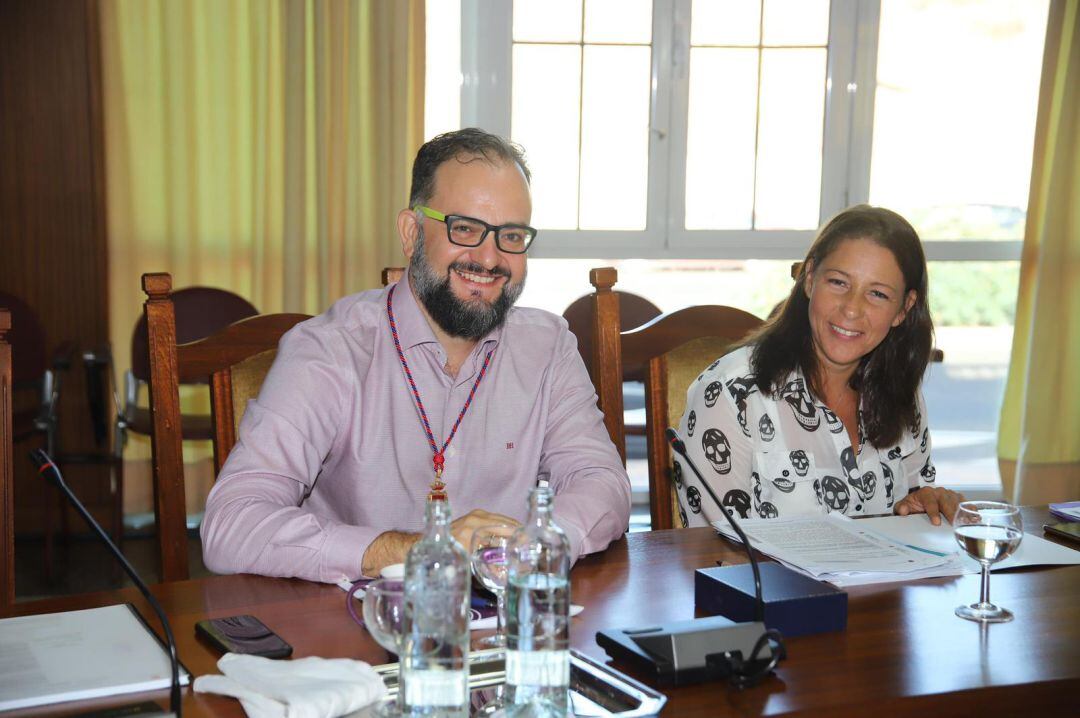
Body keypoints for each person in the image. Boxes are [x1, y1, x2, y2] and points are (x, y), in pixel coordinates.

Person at [201, 128, 631, 583]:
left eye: (511, 235)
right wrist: (418, 551)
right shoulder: (330, 349)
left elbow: (602, 483)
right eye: (465, 228)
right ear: (411, 233)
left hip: (504, 626)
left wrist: (537, 546)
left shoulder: (548, 348)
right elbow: (232, 526)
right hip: (356, 627)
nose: (489, 258)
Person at [676, 205, 962, 529]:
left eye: (878, 294)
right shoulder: (731, 394)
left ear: (903, 310)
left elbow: (911, 511)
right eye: (839, 283)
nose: (852, 309)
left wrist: (924, 505)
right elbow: (713, 550)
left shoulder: (900, 392)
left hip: (886, 581)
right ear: (810, 280)